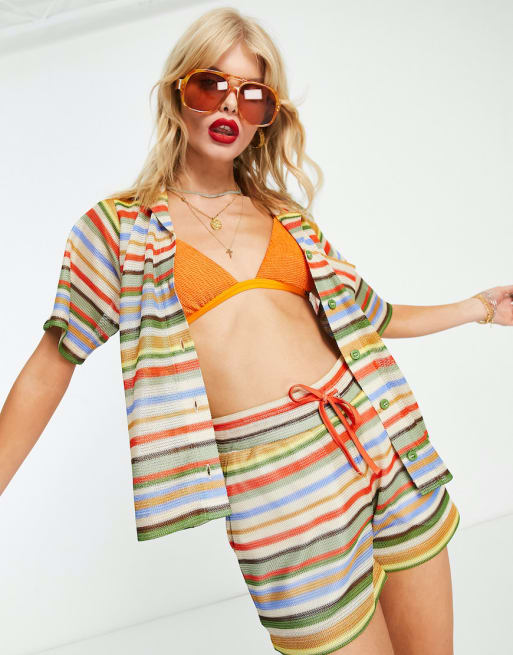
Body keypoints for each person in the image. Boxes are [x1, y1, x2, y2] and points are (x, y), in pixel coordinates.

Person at [2, 6, 513, 655]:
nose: (229, 105)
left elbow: (373, 316)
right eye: (210, 84)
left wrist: (476, 307)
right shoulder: (119, 230)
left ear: (267, 115)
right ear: (177, 93)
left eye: (252, 95)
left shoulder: (285, 217)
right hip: (277, 496)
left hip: (381, 443)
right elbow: (51, 365)